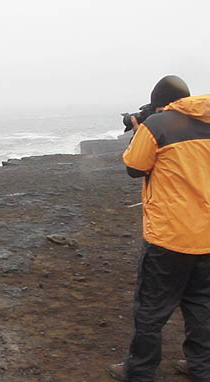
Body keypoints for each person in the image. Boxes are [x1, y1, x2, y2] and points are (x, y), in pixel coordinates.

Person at [109, 75, 210, 381]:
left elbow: (134, 167)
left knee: (151, 308)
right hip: (206, 235)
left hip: (170, 236)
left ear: (158, 103)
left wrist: (140, 129)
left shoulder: (157, 126)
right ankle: (202, 366)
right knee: (201, 304)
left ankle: (139, 371)